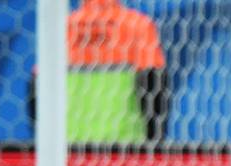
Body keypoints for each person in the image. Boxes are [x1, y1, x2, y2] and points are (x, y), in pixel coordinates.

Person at [30, 0, 170, 143]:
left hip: (67, 148)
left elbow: (37, 90)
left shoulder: (62, 28)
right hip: (125, 149)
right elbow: (155, 88)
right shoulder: (137, 25)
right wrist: (155, 144)